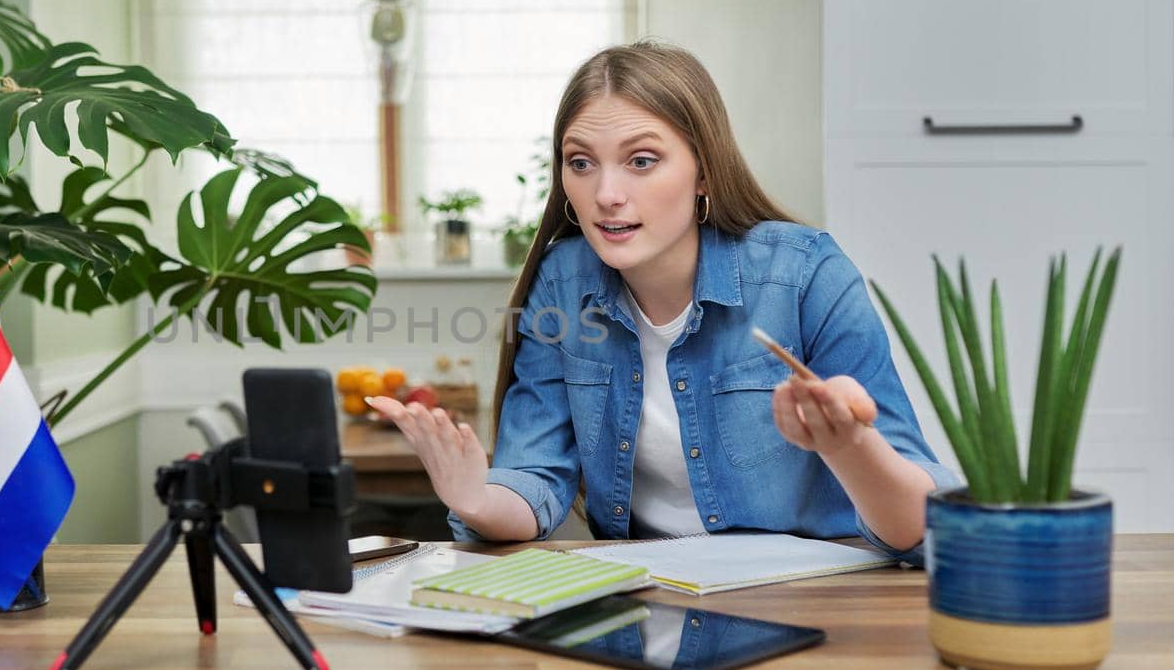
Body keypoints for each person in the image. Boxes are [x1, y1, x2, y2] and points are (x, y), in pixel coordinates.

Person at [367, 41, 956, 561]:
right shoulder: (563, 281)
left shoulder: (805, 273)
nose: (607, 194)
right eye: (581, 164)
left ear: (704, 171)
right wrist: (473, 497)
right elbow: (535, 481)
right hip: (647, 599)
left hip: (821, 603)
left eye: (642, 161)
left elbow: (919, 527)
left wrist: (850, 445)